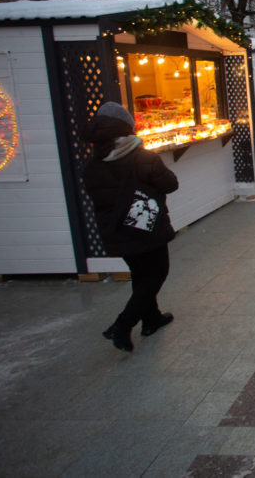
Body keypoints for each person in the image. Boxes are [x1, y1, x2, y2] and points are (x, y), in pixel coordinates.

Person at [82, 101, 178, 352]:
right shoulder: (143, 158)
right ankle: (122, 325)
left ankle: (151, 319)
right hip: (145, 227)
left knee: (140, 275)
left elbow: (98, 197)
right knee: (157, 273)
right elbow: (170, 184)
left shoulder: (93, 165)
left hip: (116, 230)